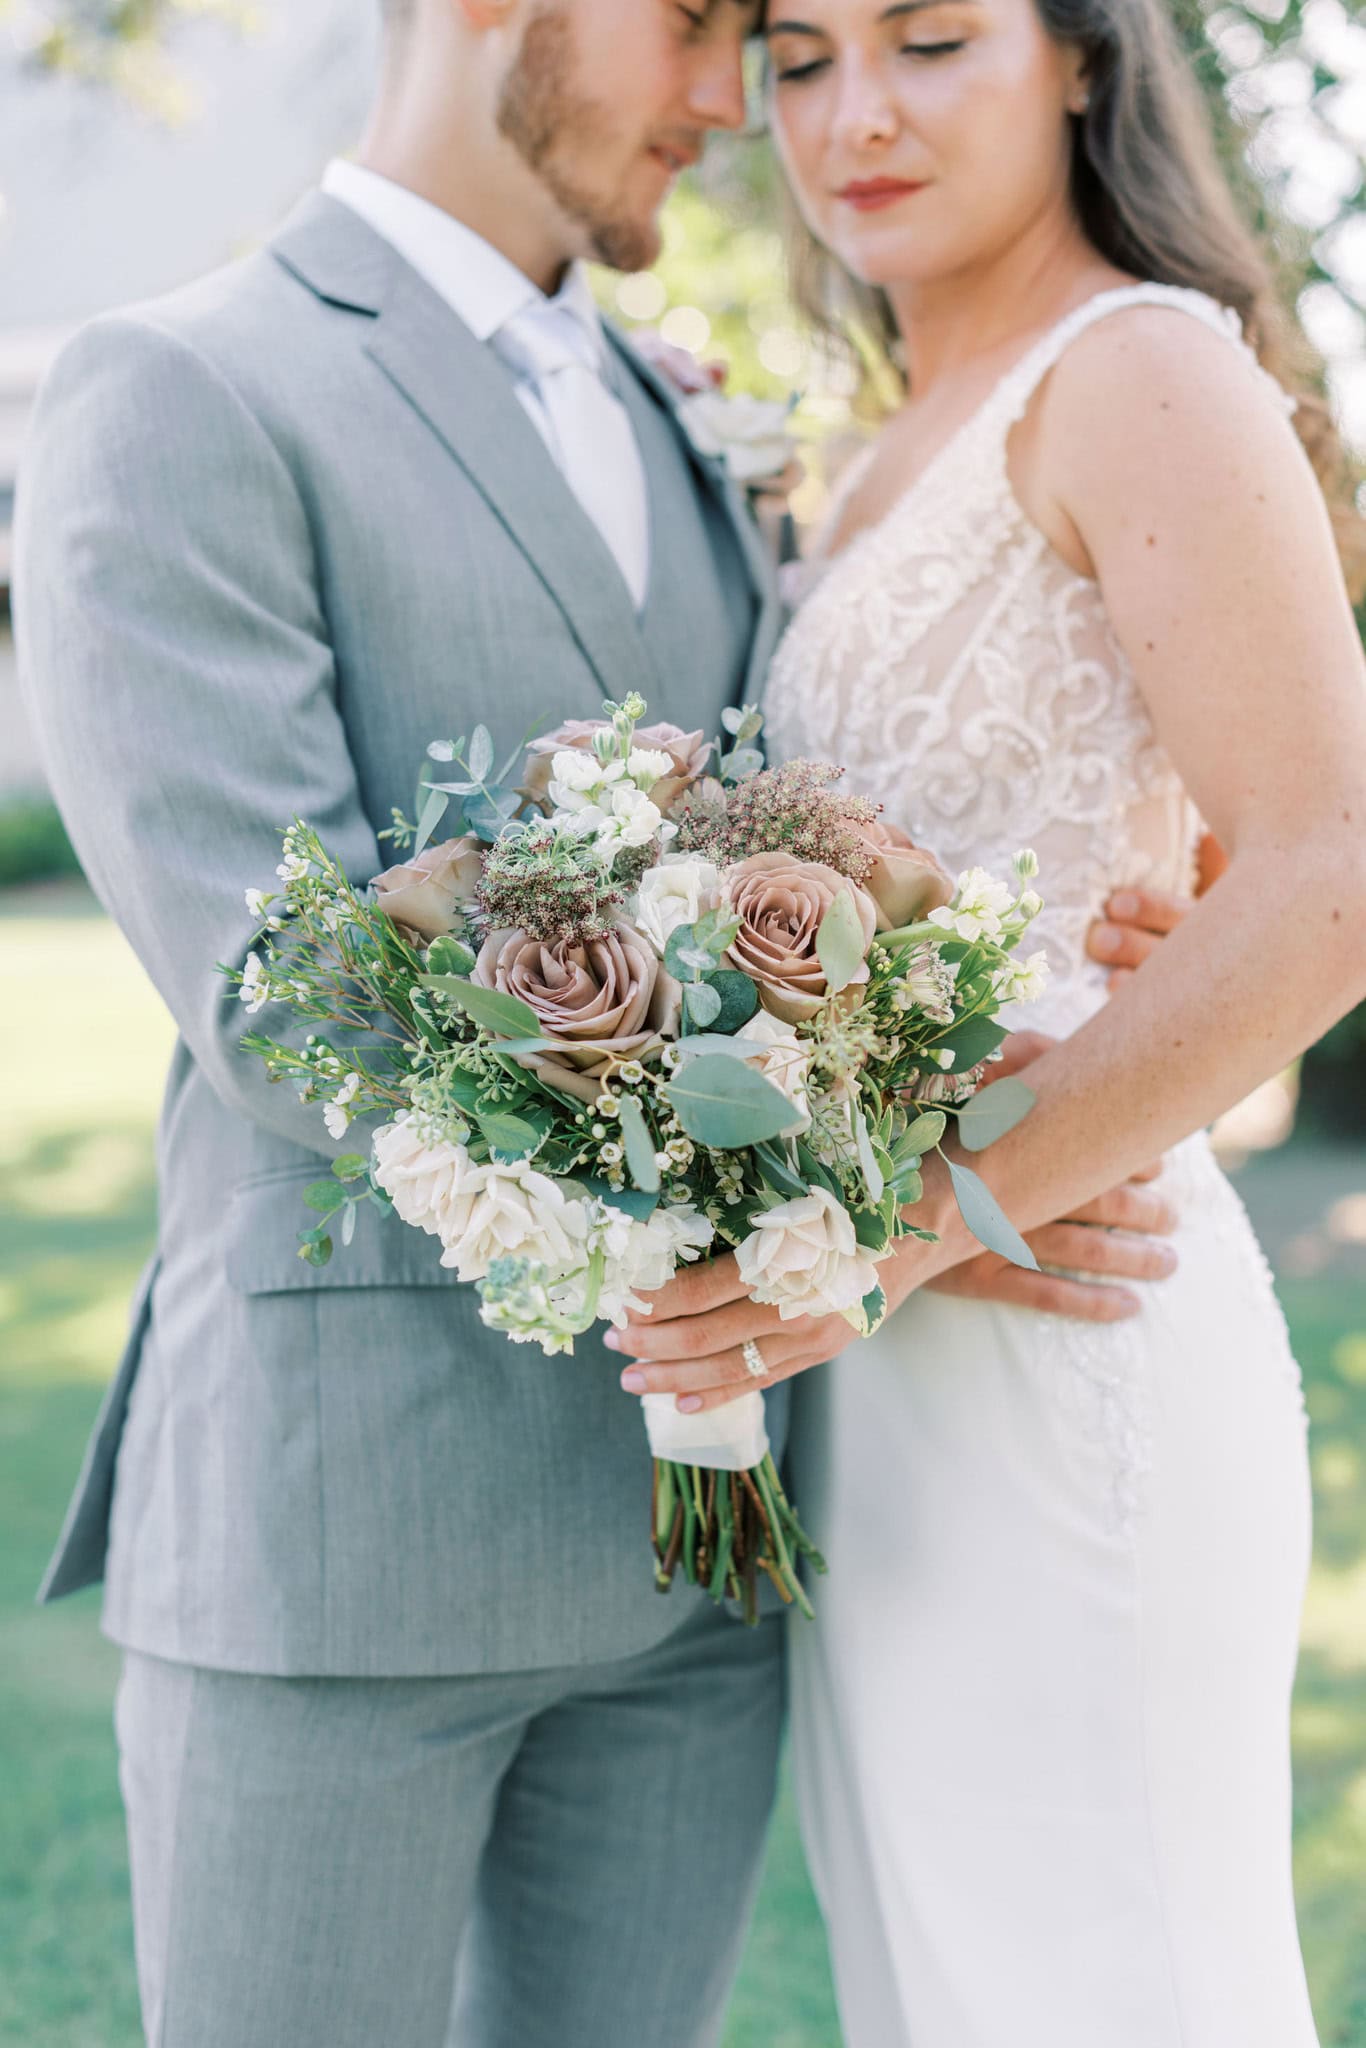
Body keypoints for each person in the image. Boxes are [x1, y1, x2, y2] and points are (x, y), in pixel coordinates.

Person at [13, 3, 1186, 2042]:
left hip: (704, 1557)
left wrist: (1005, 1052)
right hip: (341, 1547)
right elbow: (280, 1005)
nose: (740, 108)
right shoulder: (184, 386)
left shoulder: (686, 416)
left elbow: (830, 820)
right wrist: (886, 1185)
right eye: (702, 29)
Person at [615, 1, 1366, 2042]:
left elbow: (1326, 876)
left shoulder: (1132, 376)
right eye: (797, 59)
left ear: (1073, 59)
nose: (849, 114)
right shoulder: (872, 441)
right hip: (891, 1376)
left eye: (928, 40)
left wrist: (912, 1225)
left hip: (1059, 1345)